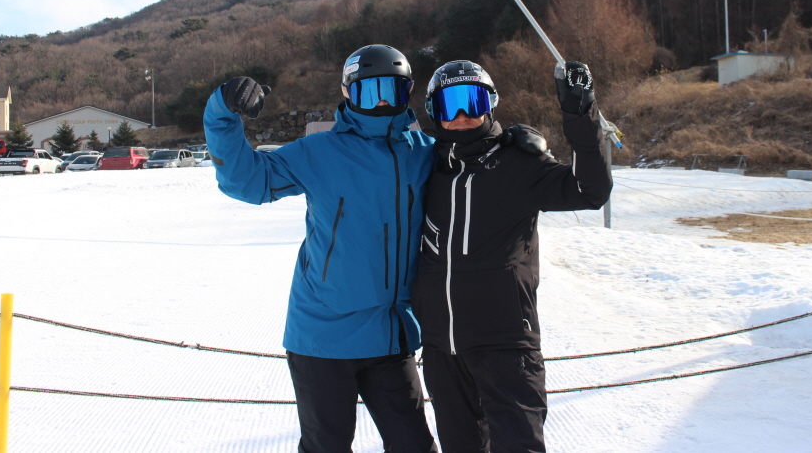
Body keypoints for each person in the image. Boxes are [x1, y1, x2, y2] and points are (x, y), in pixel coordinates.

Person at [203, 44, 438, 453]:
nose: (381, 102)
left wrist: (511, 143)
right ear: (347, 93)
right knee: (326, 447)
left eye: (392, 90)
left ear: (409, 91)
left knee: (415, 445)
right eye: (369, 91)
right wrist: (222, 111)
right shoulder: (320, 152)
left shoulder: (426, 153)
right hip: (323, 337)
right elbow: (247, 182)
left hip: (390, 336)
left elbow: (478, 164)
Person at [412, 59, 612, 453]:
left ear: (490, 104)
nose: (463, 115)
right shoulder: (425, 167)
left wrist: (580, 116)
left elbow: (590, 191)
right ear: (434, 111)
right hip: (441, 350)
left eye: (473, 101)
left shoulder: (519, 163)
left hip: (506, 345)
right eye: (450, 104)